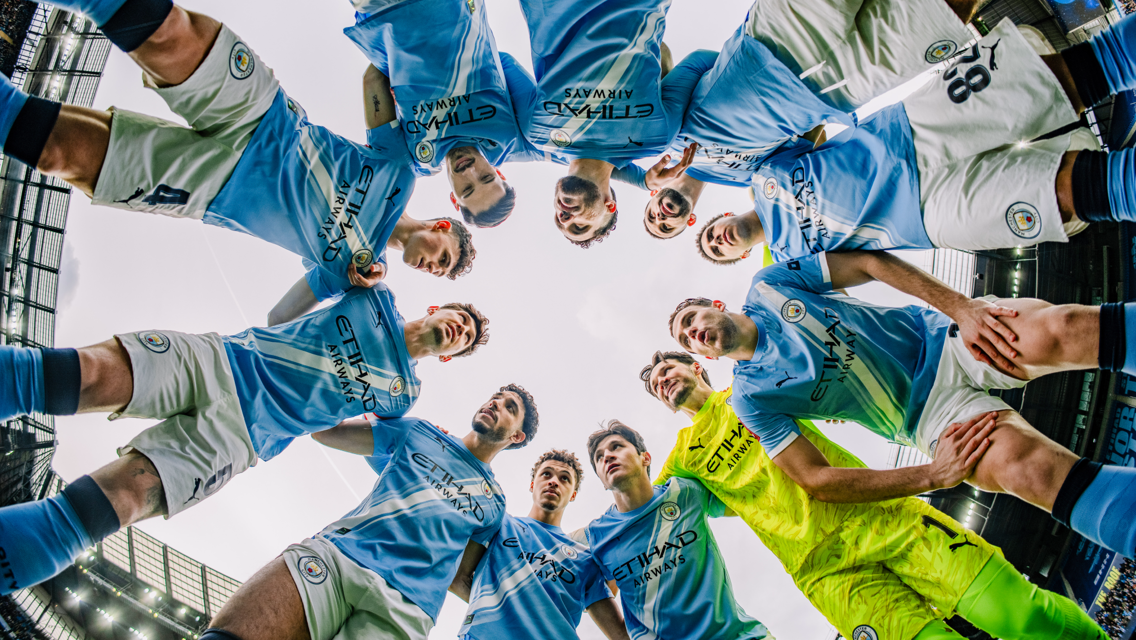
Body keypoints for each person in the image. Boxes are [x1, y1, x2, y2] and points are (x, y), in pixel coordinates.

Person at [0, 285, 489, 595]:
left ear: (451, 355)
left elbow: (334, 434)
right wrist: (339, 275)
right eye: (459, 317)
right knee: (87, 374)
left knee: (119, 501)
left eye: (465, 336)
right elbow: (281, 313)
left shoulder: (402, 396)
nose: (459, 328)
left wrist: (306, 421)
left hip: (240, 438)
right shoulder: (372, 296)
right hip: (221, 361)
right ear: (434, 307)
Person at [666, 249, 1136, 559]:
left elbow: (867, 261)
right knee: (1024, 471)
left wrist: (962, 308)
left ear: (712, 302)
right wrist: (932, 475)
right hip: (929, 416)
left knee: (1062, 330)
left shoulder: (770, 286)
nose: (693, 332)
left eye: (690, 319)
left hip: (944, 340)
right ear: (705, 357)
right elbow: (815, 479)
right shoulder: (751, 398)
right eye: (687, 340)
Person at [0, 0, 477, 293]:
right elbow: (375, 74)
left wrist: (350, 287)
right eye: (443, 256)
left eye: (436, 272)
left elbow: (282, 315)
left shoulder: (356, 272)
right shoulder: (403, 172)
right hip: (264, 118)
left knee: (57, 154)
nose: (432, 266)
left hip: (211, 192)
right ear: (440, 225)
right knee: (168, 34)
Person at [640, 350, 1110, 640]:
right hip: (823, 571)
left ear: (695, 366)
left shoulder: (750, 388)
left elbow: (808, 359)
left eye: (666, 368)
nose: (662, 380)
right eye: (655, 385)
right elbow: (636, 519)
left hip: (886, 518)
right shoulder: (681, 461)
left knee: (1019, 616)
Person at [659, 16, 1136, 249]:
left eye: (711, 235)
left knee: (1050, 80)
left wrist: (652, 174)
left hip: (905, 132)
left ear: (719, 217)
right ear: (740, 257)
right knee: (1067, 193)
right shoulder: (788, 266)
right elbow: (869, 268)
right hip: (927, 219)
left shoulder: (761, 173)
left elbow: (801, 128)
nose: (718, 240)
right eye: (718, 250)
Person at [197, 385, 540, 640]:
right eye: (496, 395)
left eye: (510, 406)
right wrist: (363, 390)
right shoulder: (419, 432)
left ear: (516, 435)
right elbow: (326, 432)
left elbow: (461, 577)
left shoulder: (495, 504)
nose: (496, 402)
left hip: (404, 609)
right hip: (341, 558)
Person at [509, 0, 708, 247]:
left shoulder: (539, 135)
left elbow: (504, 62)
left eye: (560, 222)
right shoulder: (655, 138)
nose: (565, 218)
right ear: (609, 205)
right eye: (580, 226)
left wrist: (642, 181)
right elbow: (697, 62)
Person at [344, 0, 527, 227]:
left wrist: (399, 48)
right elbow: (504, 62)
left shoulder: (412, 160)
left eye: (467, 190)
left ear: (454, 199)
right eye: (486, 178)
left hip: (383, 10)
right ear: (501, 174)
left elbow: (373, 82)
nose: (470, 171)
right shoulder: (509, 132)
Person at [583, 421, 770, 639]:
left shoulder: (685, 490)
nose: (607, 456)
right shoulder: (595, 537)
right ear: (603, 482)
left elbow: (750, 498)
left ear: (645, 458)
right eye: (599, 456)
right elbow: (588, 589)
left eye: (617, 447)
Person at [450, 449, 629, 640]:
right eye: (546, 474)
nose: (553, 481)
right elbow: (456, 579)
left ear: (573, 495)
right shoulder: (500, 524)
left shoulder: (586, 560)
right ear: (532, 484)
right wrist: (506, 611)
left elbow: (620, 635)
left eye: (564, 478)